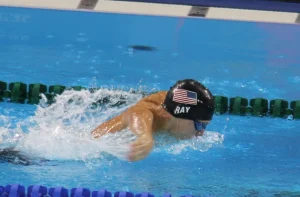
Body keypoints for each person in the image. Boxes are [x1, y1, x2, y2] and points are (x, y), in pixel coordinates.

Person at [91, 79, 215, 162]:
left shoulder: (170, 108)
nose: (201, 133)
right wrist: (144, 136)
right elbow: (136, 113)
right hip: (92, 148)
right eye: (200, 126)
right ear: (180, 117)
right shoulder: (159, 117)